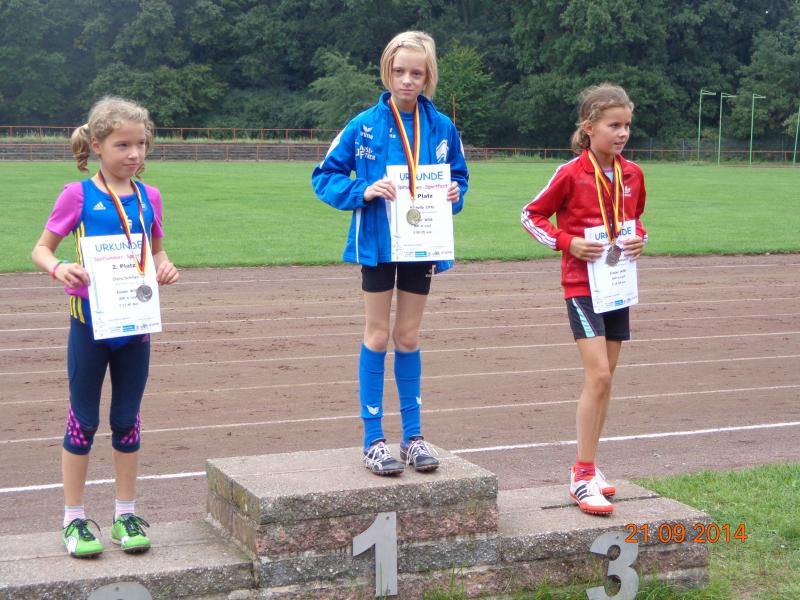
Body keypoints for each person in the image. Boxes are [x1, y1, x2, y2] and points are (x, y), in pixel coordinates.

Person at [312, 31, 469, 476]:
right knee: (378, 335)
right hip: (377, 244)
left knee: (409, 337)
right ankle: (373, 441)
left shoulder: (442, 127)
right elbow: (323, 176)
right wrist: (363, 190)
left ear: (428, 76)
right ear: (387, 71)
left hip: (423, 244)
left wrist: (455, 193)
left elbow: (459, 177)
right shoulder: (363, 124)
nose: (407, 80)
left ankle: (413, 437)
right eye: (399, 71)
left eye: (416, 73)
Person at [31, 96, 179, 556]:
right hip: (90, 328)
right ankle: (73, 520)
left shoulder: (150, 197)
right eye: (123, 145)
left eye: (141, 144)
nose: (134, 154)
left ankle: (125, 515)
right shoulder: (77, 195)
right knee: (84, 421)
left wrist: (165, 265)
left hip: (135, 328)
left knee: (127, 421)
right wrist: (60, 268)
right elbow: (41, 249)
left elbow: (156, 250)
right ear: (97, 145)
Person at [520, 84, 647, 515]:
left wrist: (640, 238)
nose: (622, 133)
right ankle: (581, 474)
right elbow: (531, 215)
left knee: (606, 380)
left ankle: (591, 465)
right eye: (614, 125)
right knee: (599, 375)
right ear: (589, 127)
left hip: (617, 285)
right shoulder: (570, 173)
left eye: (627, 125)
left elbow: (634, 220)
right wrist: (567, 242)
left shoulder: (633, 175)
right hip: (581, 286)